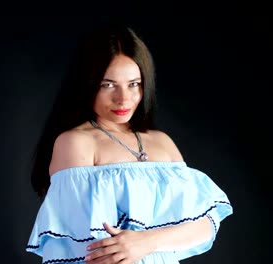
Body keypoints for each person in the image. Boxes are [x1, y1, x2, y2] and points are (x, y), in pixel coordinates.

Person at [25, 23, 233, 264]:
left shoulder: (162, 142)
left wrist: (148, 241)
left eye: (133, 84)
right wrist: (151, 241)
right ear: (86, 83)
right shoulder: (76, 143)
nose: (123, 98)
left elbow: (205, 225)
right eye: (108, 85)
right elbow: (90, 252)